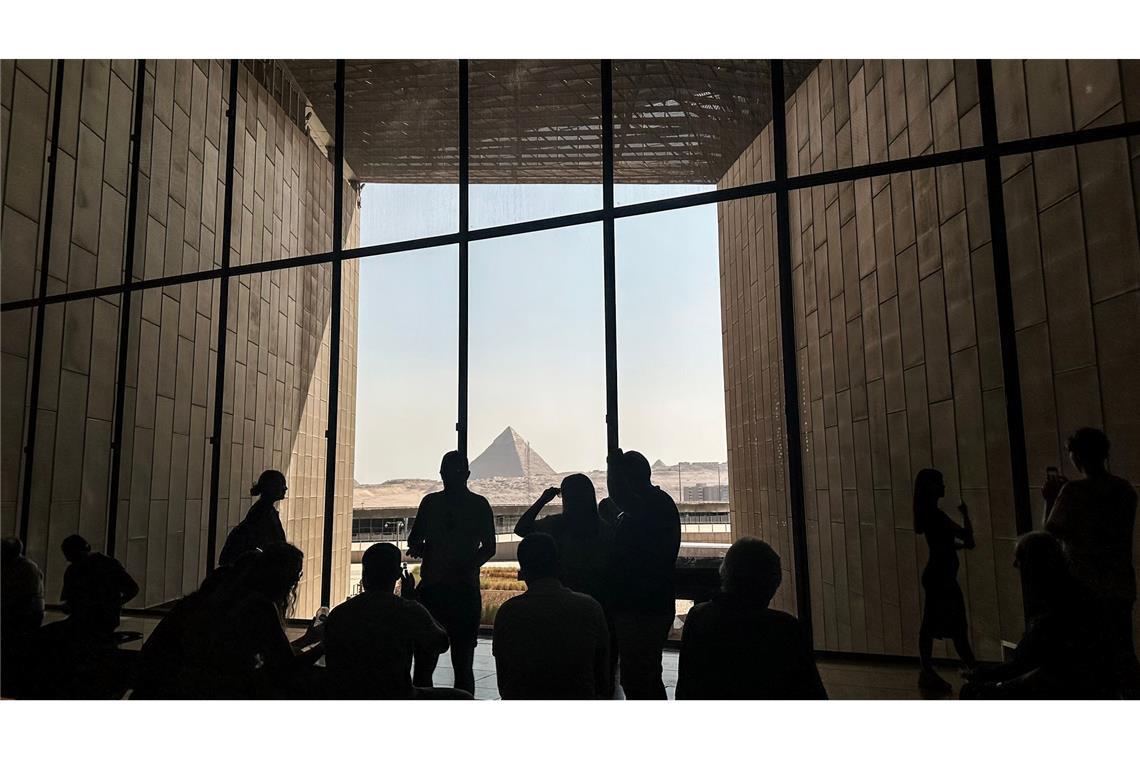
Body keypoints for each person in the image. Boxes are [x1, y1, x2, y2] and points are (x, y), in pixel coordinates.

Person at [137, 542, 323, 698]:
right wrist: (325, 645)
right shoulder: (260, 608)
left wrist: (307, 641)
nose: (296, 582)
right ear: (282, 576)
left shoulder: (212, 604)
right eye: (297, 575)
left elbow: (276, 655)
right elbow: (286, 666)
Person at [961, 532, 1117, 699]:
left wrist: (992, 682)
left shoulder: (1052, 606)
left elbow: (1034, 664)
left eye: (1019, 560)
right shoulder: (1071, 597)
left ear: (1032, 564)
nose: (1015, 565)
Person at [1043, 427, 1138, 693]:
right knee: (1123, 653)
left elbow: (1051, 529)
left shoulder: (1073, 492)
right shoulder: (1124, 489)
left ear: (1078, 456)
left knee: (1092, 658)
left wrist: (1051, 498)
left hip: (1084, 585)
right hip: (1120, 583)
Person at [676, 537, 825, 699]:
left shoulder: (698, 616)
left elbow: (686, 686)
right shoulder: (785, 629)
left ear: (725, 573)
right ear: (772, 583)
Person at [323, 543, 469, 699]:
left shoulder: (340, 613)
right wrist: (415, 601)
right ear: (398, 574)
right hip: (396, 694)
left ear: (364, 575)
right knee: (464, 697)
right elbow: (440, 644)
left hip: (349, 695)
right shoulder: (408, 610)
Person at [406, 450, 496, 695]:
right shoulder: (479, 505)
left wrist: (431, 553)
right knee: (462, 664)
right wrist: (467, 564)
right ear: (466, 473)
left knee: (425, 665)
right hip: (463, 591)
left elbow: (414, 541)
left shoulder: (431, 503)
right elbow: (489, 548)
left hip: (433, 590)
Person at [493, 533, 611, 699]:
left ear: (523, 573)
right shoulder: (590, 608)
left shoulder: (508, 612)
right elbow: (603, 676)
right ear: (559, 566)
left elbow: (504, 680)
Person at [604, 448, 681, 699]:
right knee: (645, 673)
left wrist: (612, 467)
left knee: (638, 676)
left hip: (641, 604)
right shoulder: (658, 503)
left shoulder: (649, 505)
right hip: (652, 600)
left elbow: (619, 497)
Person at [913, 469, 978, 693]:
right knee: (957, 628)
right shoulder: (937, 516)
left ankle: (928, 671)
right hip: (943, 578)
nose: (944, 486)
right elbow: (968, 539)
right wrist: (965, 514)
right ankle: (975, 671)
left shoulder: (929, 516)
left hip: (936, 576)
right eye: (940, 483)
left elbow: (947, 544)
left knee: (930, 626)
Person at [514, 472, 614, 604]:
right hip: (600, 599)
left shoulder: (555, 525)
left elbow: (521, 528)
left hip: (561, 599)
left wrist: (543, 500)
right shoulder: (607, 530)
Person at [59, 534, 139, 638]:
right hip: (102, 620)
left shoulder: (72, 571)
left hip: (91, 620)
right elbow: (132, 589)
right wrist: (113, 604)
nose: (73, 561)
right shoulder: (108, 565)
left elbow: (68, 599)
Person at [1, 537, 45, 697]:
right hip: (24, 614)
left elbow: (18, 597)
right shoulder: (28, 567)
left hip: (21, 615)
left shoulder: (21, 568)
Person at [218, 469, 289, 567]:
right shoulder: (263, 513)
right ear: (272, 488)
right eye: (282, 485)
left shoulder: (263, 510)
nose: (285, 488)